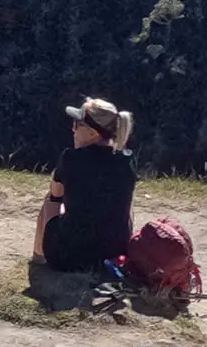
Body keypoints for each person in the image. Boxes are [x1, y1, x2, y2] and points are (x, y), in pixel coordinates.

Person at [34, 96, 137, 273]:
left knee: (50, 199)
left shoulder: (70, 158)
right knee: (128, 204)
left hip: (67, 258)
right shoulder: (128, 160)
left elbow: (56, 195)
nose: (72, 129)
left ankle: (38, 258)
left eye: (77, 124)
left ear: (92, 133)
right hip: (113, 257)